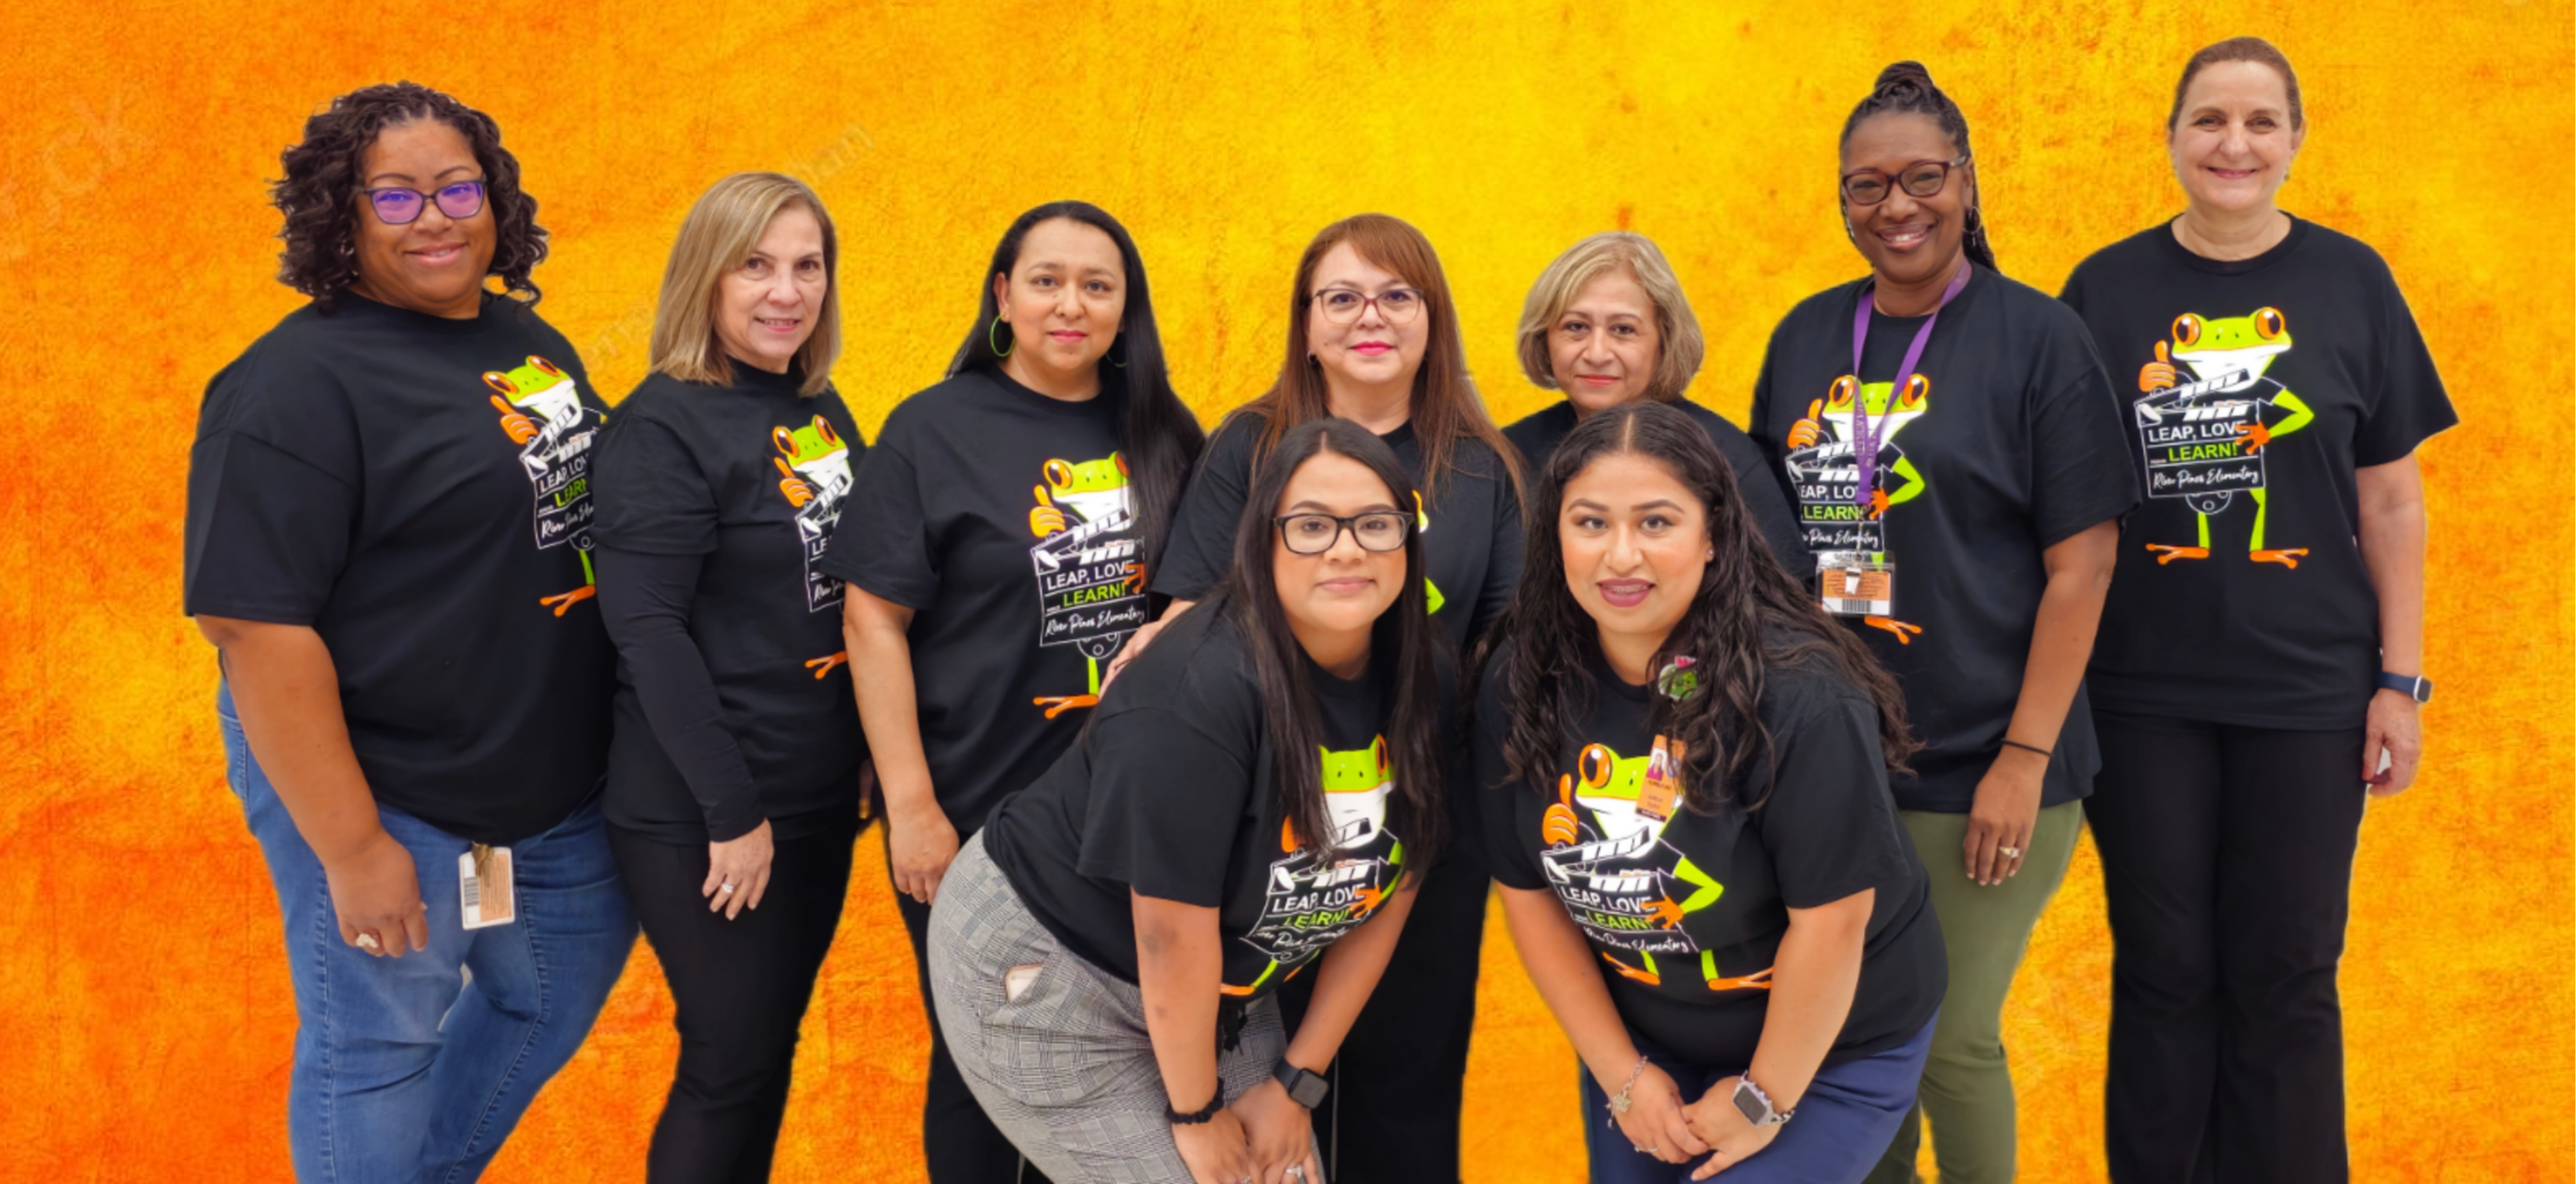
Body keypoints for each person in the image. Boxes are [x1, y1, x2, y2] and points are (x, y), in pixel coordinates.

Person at [184, 83, 635, 1181]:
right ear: (341, 216)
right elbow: (252, 625)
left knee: (551, 988)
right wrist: (353, 846)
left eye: (455, 188)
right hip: (385, 781)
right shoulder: (290, 386)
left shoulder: (520, 333)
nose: (433, 217)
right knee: (377, 1042)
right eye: (394, 196)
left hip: (545, 782)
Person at [2057, 38, 2454, 1183]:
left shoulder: (2351, 281)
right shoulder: (2104, 289)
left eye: (2258, 123)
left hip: (2310, 690)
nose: (2233, 145)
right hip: (2139, 694)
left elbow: (2389, 500)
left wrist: (2400, 678)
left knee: (2285, 969)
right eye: (2209, 121)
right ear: (2172, 135)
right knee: (2164, 967)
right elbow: (2066, 501)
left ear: (2293, 140)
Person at [1744, 64, 2138, 1184]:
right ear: (1840, 200)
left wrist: (2021, 760)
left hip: (1983, 764)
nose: (1896, 206)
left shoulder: (2037, 339)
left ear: (1965, 180)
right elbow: (1770, 546)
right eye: (1865, 186)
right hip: (1833, 759)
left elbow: (2084, 563)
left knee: (1948, 1043)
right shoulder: (1807, 334)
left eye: (1921, 177)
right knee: (1850, 1045)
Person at [935, 417, 1450, 1184]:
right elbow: (1170, 934)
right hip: (1050, 966)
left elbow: (1392, 886)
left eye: (1376, 524)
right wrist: (1197, 1113)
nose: (1347, 548)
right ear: (1260, 541)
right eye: (1311, 526)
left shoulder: (1422, 675)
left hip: (1218, 981)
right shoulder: (1198, 686)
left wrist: (1297, 1082)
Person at [1118, 212, 1521, 1183]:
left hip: (1417, 823)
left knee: (1408, 1085)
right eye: (1340, 297)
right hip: (1264, 827)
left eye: (1396, 296)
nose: (1368, 317)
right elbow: (1187, 625)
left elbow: (1506, 654)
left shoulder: (1484, 466)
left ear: (1434, 320)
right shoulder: (1251, 445)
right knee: (1258, 1077)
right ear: (1305, 323)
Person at [823, 202, 1204, 1184]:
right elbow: (873, 622)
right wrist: (911, 810)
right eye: (1046, 280)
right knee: (980, 1072)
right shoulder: (931, 428)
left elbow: (1201, 620)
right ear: (1003, 294)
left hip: (1130, 820)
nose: (1069, 305)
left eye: (1097, 285)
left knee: (1143, 1067)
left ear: (1127, 308)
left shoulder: (1166, 434)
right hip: (972, 815)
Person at [1477, 401, 1944, 1183]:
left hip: (1829, 1044)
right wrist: (1622, 1075)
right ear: (1554, 536)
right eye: (1591, 522)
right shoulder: (1517, 683)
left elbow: (1832, 926)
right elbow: (1529, 894)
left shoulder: (1801, 693)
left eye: (1656, 522)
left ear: (1714, 535)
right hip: (1650, 1040)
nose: (1621, 556)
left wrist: (1763, 1097)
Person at [588, 172, 867, 1182]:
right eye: (755, 265)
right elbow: (649, 633)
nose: (784, 291)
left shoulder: (814, 403)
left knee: (764, 1052)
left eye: (806, 266)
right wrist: (731, 811)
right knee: (726, 1062)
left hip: (817, 794)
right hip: (707, 808)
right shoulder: (662, 428)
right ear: (706, 278)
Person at [1500, 232, 1807, 574]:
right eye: (1576, 327)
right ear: (1544, 338)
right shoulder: (1509, 455)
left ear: (1665, 339)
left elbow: (1787, 608)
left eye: (1624, 330)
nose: (1597, 353)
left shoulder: (1724, 456)